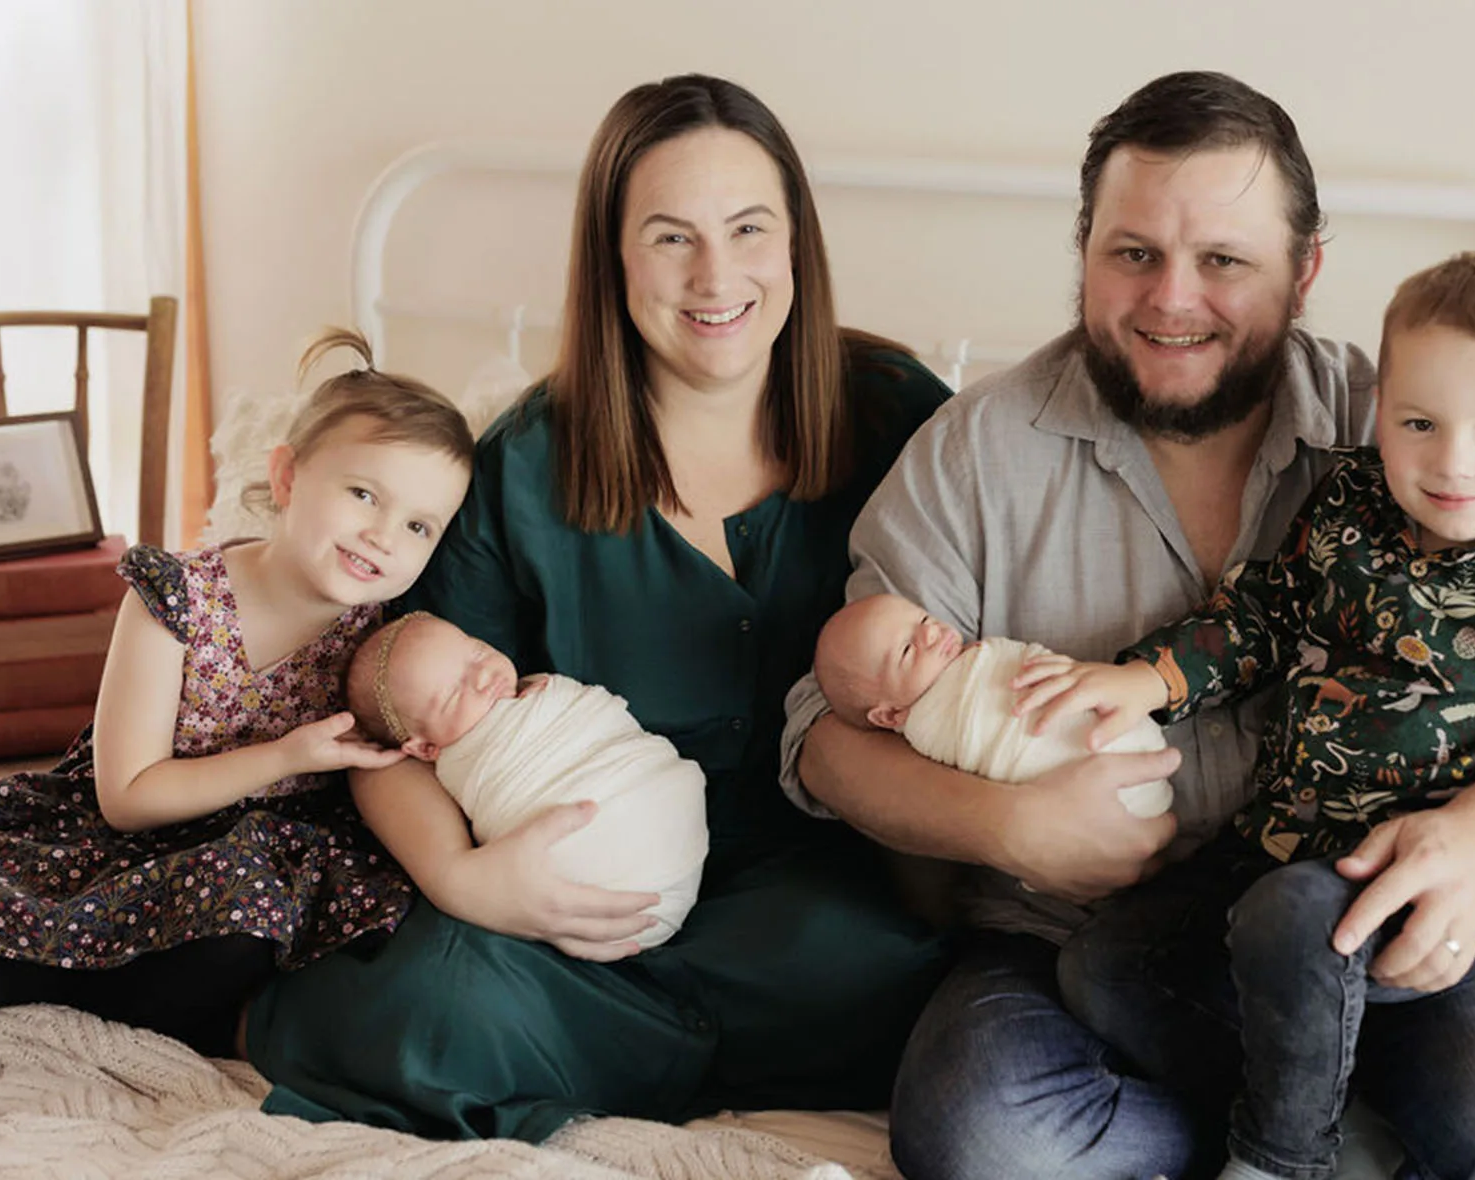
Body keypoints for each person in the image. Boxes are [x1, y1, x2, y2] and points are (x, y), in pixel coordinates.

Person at [782, 71, 1475, 1179]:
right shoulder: (976, 453)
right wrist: (1009, 828)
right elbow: (824, 732)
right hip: (1084, 947)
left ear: (1306, 268)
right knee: (984, 1137)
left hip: (1394, 928)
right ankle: (1310, 1140)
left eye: (1224, 260)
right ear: (1083, 246)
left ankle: (1294, 1136)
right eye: (1132, 251)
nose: (1171, 298)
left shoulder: (1423, 426)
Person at [242, 74, 952, 1143]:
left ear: (795, 241)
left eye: (749, 228)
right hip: (567, 916)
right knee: (422, 999)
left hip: (817, 918)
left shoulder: (900, 416)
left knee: (918, 967)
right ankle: (628, 1049)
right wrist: (467, 879)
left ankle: (611, 1062)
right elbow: (388, 737)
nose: (717, 275)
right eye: (671, 238)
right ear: (614, 261)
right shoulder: (524, 470)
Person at [1013, 251, 1475, 1180]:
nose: (1454, 461)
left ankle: (1284, 1159)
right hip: (1273, 848)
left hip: (1432, 894)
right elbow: (1263, 616)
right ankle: (1337, 1116)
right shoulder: (1346, 505)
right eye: (1421, 422)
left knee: (1300, 915)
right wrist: (1149, 679)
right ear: (1381, 411)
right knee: (1099, 967)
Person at [0, 329, 474, 1057]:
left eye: (417, 525)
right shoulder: (177, 597)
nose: (382, 536)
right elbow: (126, 795)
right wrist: (285, 756)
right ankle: (58, 975)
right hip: (126, 833)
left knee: (251, 929)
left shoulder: (385, 641)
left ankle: (134, 993)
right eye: (363, 494)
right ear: (286, 478)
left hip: (258, 866)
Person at [345, 610, 709, 947]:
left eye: (477, 651)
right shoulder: (457, 761)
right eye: (455, 692)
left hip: (657, 802)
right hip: (569, 874)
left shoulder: (527, 695)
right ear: (425, 749)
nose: (485, 675)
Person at [814, 592, 1173, 817]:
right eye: (908, 650)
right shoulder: (928, 729)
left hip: (1119, 727)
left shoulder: (979, 658)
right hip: (1084, 809)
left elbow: (1043, 670)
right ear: (891, 714)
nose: (932, 632)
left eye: (923, 617)